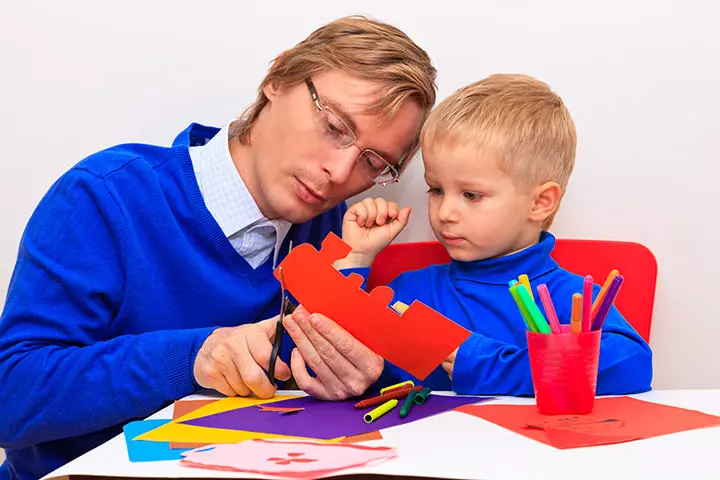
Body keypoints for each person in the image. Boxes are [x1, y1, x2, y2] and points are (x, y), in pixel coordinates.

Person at [0, 16, 437, 479]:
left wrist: (361, 377)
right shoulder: (107, 196)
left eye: (372, 162)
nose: (339, 171)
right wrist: (193, 357)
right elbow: (11, 397)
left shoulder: (339, 235)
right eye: (333, 127)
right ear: (278, 78)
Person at [333, 73, 653, 396]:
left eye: (471, 195)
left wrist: (487, 364)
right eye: (436, 190)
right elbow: (327, 353)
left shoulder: (568, 299)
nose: (445, 213)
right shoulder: (410, 290)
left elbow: (633, 365)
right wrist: (354, 259)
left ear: (540, 202)